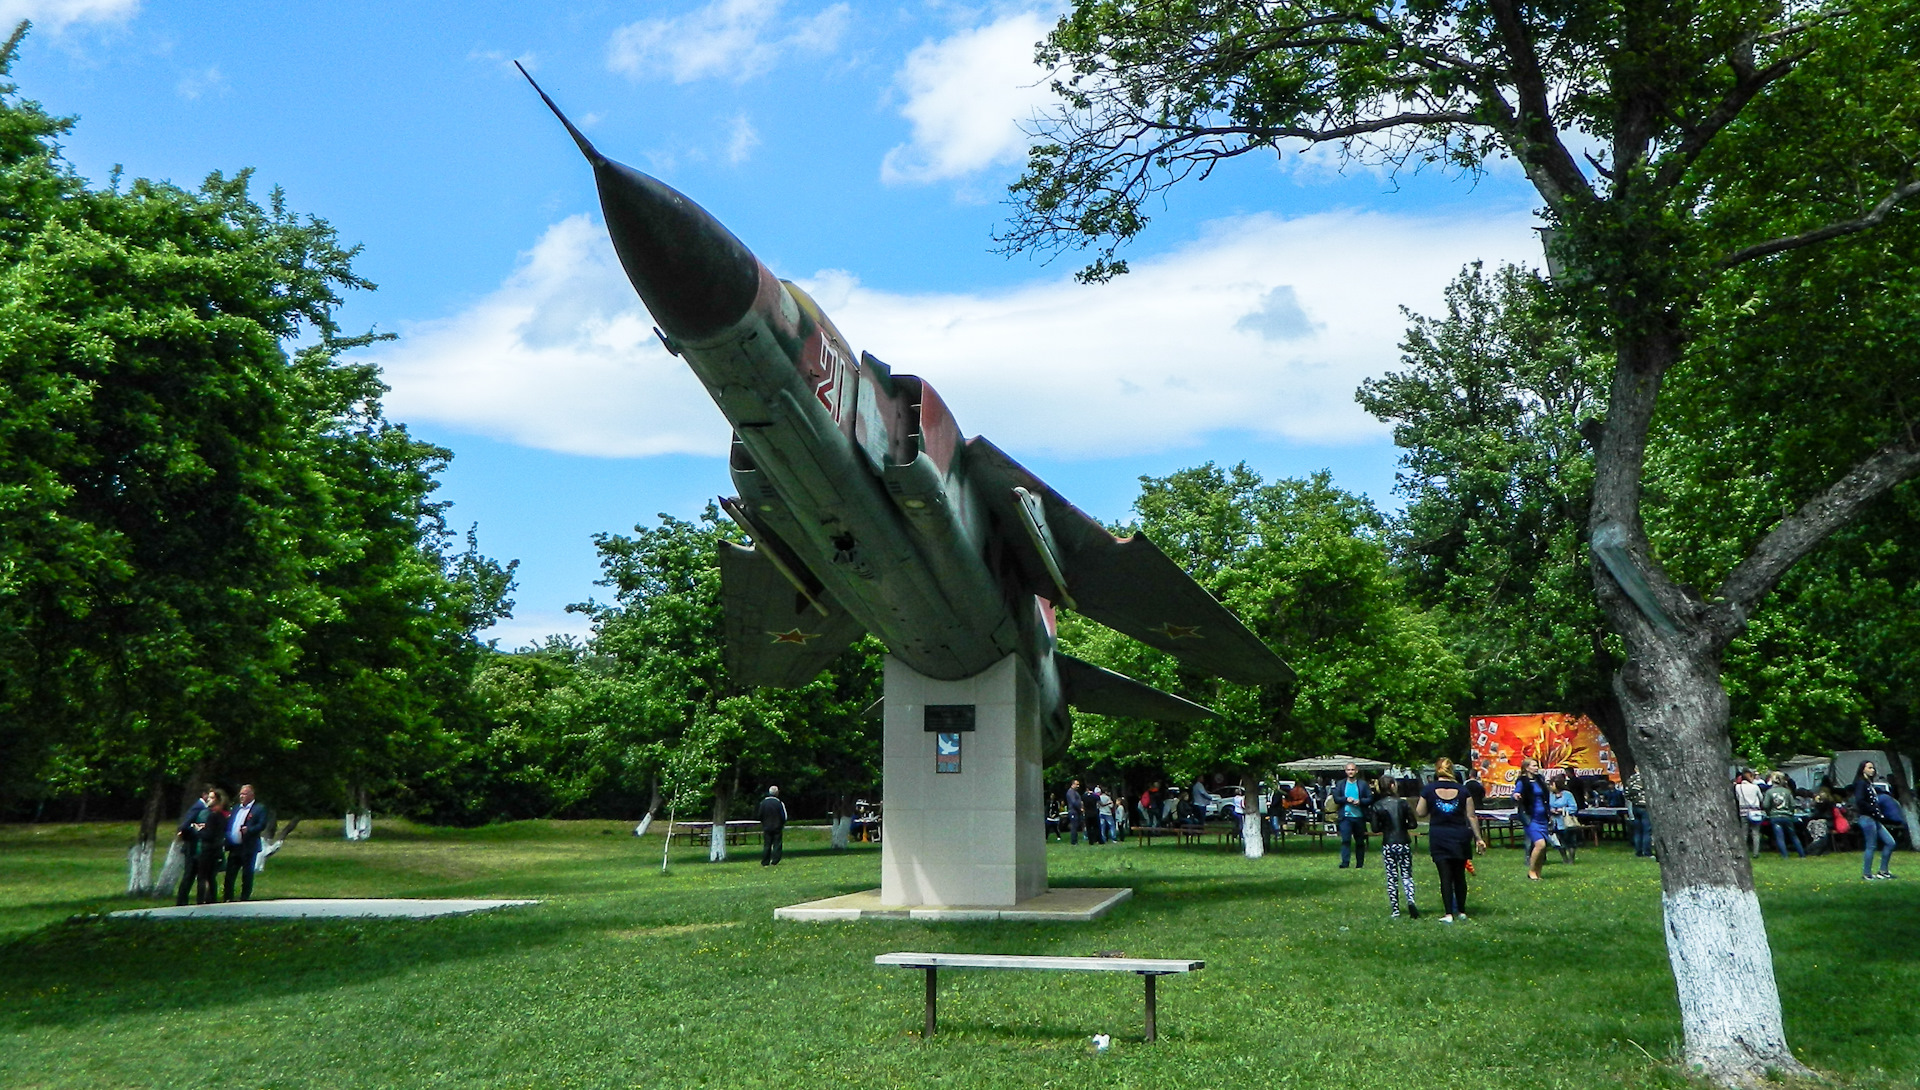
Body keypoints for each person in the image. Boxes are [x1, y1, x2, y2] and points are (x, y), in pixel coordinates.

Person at [1417, 758, 1485, 923]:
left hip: (1439, 836)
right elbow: (1471, 816)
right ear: (1452, 770)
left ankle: (1448, 914)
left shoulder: (1429, 790)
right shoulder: (1463, 790)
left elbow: (1420, 812)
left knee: (1445, 876)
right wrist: (1479, 838)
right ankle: (1461, 911)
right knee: (1459, 876)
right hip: (1460, 836)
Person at [1371, 779, 1418, 919]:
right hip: (1403, 841)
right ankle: (1410, 900)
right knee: (1406, 874)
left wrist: (1384, 826)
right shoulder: (1402, 803)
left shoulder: (1377, 805)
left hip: (1388, 843)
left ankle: (1395, 910)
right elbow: (1413, 824)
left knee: (1391, 877)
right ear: (1393, 786)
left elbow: (1374, 828)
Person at [175, 786, 227, 906]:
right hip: (194, 849)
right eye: (208, 797)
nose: (209, 799)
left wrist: (200, 829)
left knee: (205, 877)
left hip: (207, 850)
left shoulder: (215, 814)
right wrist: (192, 830)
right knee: (190, 877)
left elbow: (213, 832)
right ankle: (182, 902)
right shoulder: (200, 809)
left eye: (212, 797)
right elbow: (185, 826)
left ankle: (205, 901)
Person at [222, 783, 267, 901]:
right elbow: (230, 824)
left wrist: (249, 830)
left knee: (247, 874)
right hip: (234, 847)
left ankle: (244, 898)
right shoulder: (236, 808)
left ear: (252, 795)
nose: (241, 796)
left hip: (248, 847)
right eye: (240, 794)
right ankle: (228, 897)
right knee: (229, 874)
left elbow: (261, 825)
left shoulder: (259, 808)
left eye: (244, 794)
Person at [1851, 762, 1896, 880]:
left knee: (1890, 842)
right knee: (1871, 845)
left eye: (1873, 768)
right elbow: (1860, 801)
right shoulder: (1861, 783)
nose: (1873, 770)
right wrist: (1873, 811)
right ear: (1863, 770)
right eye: (1869, 768)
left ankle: (1883, 871)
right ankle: (1867, 874)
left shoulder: (1868, 783)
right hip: (1867, 818)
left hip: (1874, 818)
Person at [1513, 757, 1552, 880]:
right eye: (1534, 766)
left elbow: (1546, 796)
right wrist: (1516, 796)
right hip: (1531, 818)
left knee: (1543, 847)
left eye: (1537, 766)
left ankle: (1538, 872)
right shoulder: (1522, 781)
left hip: (1543, 817)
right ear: (1526, 768)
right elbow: (1515, 793)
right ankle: (1531, 872)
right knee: (1540, 844)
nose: (1536, 768)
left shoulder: (1539, 780)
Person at [1334, 762, 1373, 868]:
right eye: (1348, 770)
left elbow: (1370, 798)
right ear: (1345, 771)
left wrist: (1360, 801)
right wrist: (1346, 799)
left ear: (1356, 771)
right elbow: (1336, 798)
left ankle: (1359, 864)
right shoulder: (1341, 784)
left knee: (1360, 842)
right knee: (1346, 840)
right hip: (1345, 817)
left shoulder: (1363, 784)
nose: (1350, 772)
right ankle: (1345, 862)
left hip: (1359, 817)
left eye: (1352, 770)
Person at [1763, 772, 1805, 860]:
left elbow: (1766, 805)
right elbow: (1793, 805)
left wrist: (1769, 813)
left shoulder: (1769, 792)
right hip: (1787, 816)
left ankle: (1785, 856)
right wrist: (1790, 812)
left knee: (1779, 837)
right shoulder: (1787, 791)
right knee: (1793, 835)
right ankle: (1802, 854)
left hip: (1775, 816)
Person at [1734, 770, 1764, 859]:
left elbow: (1737, 797)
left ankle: (1743, 851)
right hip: (1755, 812)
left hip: (1743, 811)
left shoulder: (1738, 787)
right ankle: (1756, 852)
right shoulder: (1755, 787)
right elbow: (1761, 798)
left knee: (1744, 832)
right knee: (1755, 833)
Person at [1549, 777, 1580, 863]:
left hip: (1566, 821)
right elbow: (1548, 805)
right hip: (1555, 822)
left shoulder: (1567, 794)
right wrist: (1551, 810)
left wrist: (1562, 810)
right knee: (1559, 841)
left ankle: (1571, 859)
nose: (1550, 786)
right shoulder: (1550, 795)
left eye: (1552, 784)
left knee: (1570, 841)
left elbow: (1574, 807)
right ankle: (1564, 858)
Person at [1625, 768, 1654, 858]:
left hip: (1635, 806)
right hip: (1645, 806)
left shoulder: (1631, 779)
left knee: (1638, 830)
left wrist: (1634, 800)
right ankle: (1647, 852)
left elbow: (1626, 793)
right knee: (1647, 830)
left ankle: (1638, 851)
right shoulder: (1646, 777)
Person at [756, 785, 787, 866]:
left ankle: (765, 861)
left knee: (767, 844)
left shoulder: (763, 803)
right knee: (777, 844)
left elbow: (760, 815)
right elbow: (784, 816)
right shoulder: (779, 803)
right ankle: (775, 860)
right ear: (776, 793)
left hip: (766, 827)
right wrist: (781, 823)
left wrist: (763, 822)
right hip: (777, 827)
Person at [1066, 779, 1086, 845]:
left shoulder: (1075, 792)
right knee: (1074, 826)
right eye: (1077, 784)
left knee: (1076, 826)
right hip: (1073, 811)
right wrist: (1080, 808)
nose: (1078, 786)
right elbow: (1074, 802)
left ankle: (1075, 840)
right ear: (1073, 784)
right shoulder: (1071, 792)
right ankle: (1074, 841)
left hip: (1076, 811)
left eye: (1078, 784)